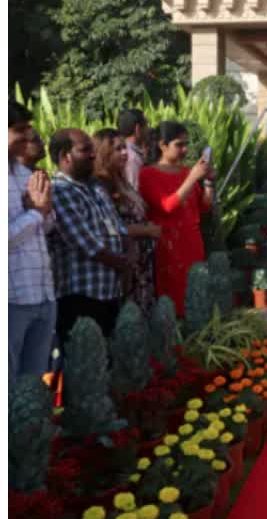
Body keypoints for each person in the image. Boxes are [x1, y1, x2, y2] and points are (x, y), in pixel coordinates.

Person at [48, 129, 130, 339]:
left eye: (92, 149)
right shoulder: (59, 190)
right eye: (85, 150)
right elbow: (84, 243)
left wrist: (127, 254)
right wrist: (122, 262)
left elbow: (119, 228)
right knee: (84, 363)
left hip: (110, 291)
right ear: (64, 156)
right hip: (80, 296)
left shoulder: (96, 187)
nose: (93, 155)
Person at [139, 122, 213, 317]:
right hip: (168, 246)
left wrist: (208, 182)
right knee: (172, 303)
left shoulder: (186, 172)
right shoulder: (148, 174)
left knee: (195, 296)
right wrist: (192, 179)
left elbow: (204, 206)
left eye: (186, 144)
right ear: (163, 145)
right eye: (179, 145)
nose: (185, 150)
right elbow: (167, 206)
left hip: (192, 242)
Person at [9, 101, 56, 381]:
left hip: (42, 294)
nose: (28, 136)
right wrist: (36, 213)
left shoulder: (27, 175)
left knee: (33, 388)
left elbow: (46, 227)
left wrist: (44, 212)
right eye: (19, 129)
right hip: (12, 300)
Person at [92, 129, 161, 317]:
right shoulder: (99, 185)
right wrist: (143, 231)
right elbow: (107, 227)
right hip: (124, 263)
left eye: (125, 148)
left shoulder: (121, 180)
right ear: (103, 153)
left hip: (141, 264)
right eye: (118, 149)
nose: (125, 153)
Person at [117, 109, 149, 191]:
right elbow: (135, 191)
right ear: (137, 129)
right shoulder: (132, 158)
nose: (148, 129)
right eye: (146, 124)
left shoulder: (124, 151)